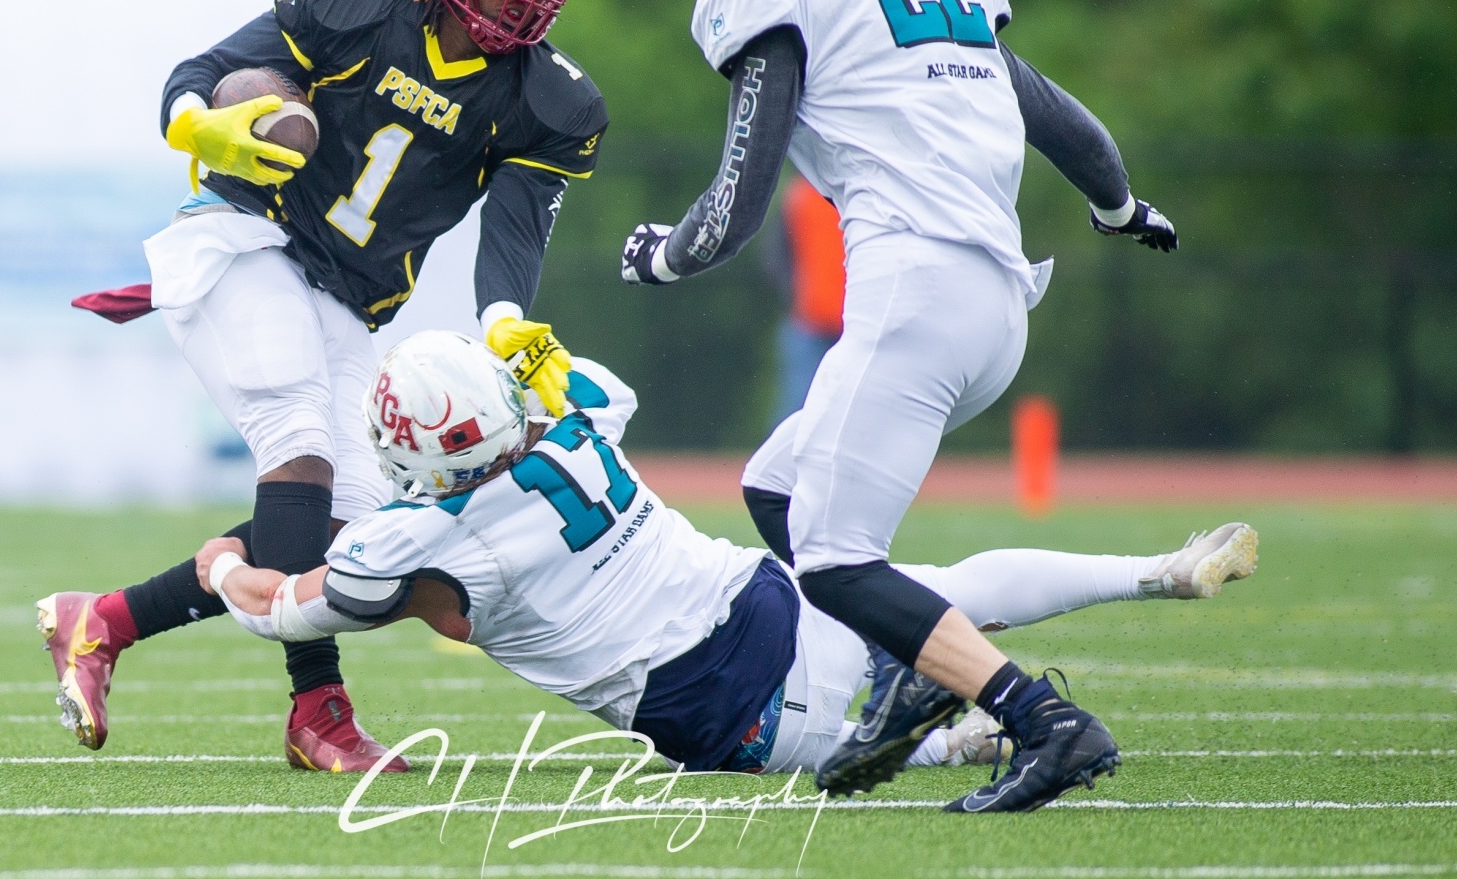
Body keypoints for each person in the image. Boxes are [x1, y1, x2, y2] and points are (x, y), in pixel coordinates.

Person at [617, 0, 1179, 810]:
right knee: (777, 489)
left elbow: (740, 197)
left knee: (834, 559)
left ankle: (1041, 720)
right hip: (995, 308)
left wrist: (665, 255)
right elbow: (1058, 117)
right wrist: (1120, 207)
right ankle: (904, 672)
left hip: (914, 294)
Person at [36, 0, 608, 773]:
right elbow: (205, 72)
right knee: (297, 443)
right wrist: (198, 123)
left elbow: (514, 233)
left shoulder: (548, 101)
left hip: (344, 298)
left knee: (356, 535)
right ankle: (319, 712)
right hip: (244, 242)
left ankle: (103, 621)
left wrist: (505, 322)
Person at [196, 331, 1256, 786]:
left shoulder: (423, 535)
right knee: (940, 594)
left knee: (861, 756)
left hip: (715, 700)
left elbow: (283, 609)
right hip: (756, 594)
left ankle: (956, 737)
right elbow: (602, 388)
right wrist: (540, 360)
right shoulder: (576, 428)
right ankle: (1150, 571)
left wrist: (217, 569)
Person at [766, 174, 845, 424]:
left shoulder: (799, 194)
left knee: (802, 409)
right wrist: (796, 292)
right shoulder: (800, 196)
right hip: (812, 321)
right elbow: (774, 255)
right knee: (798, 407)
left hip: (850, 323)